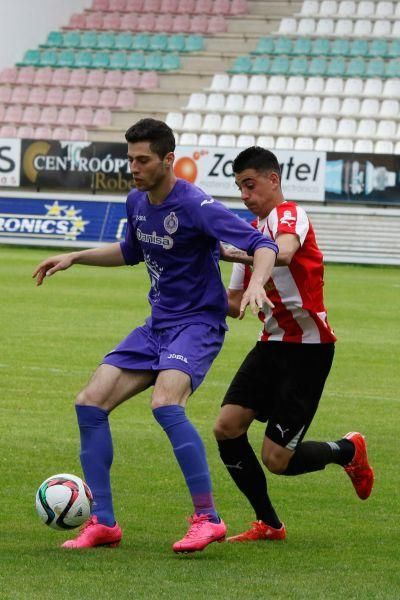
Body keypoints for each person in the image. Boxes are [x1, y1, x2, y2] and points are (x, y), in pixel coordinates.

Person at [32, 120, 279, 553]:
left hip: (198, 324)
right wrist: (75, 256)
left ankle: (208, 518)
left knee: (166, 403)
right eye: (130, 159)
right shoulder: (136, 201)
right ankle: (104, 523)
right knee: (89, 402)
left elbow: (263, 245)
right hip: (157, 326)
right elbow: (131, 251)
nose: (134, 168)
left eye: (143, 159)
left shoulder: (197, 205)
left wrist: (255, 284)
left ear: (168, 159)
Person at [214, 146, 374, 543]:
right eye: (239, 188)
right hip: (269, 345)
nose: (246, 195)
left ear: (273, 179)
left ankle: (347, 450)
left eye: (250, 185)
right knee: (226, 427)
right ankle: (268, 524)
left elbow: (282, 254)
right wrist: (192, 287)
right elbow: (234, 305)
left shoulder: (290, 215)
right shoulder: (247, 236)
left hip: (309, 350)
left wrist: (231, 251)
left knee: (277, 461)